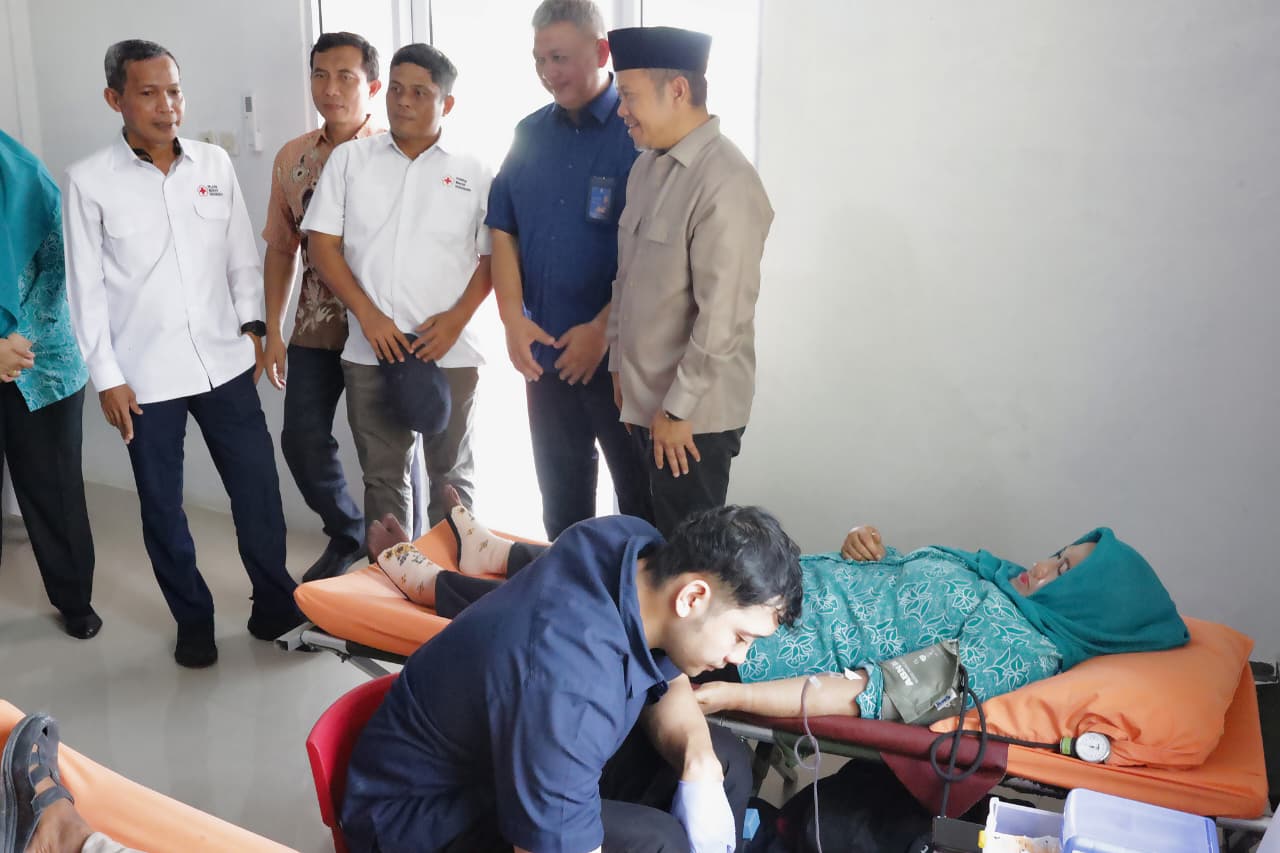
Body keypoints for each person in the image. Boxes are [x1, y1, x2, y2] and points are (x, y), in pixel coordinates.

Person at [342, 506, 804, 853]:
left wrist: (699, 763)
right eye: (741, 637)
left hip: (508, 755)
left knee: (721, 758)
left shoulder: (632, 547)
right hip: (422, 821)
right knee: (659, 841)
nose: (738, 656)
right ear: (692, 597)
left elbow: (662, 671)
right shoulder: (570, 691)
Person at [63, 40, 303, 668]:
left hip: (225, 361)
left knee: (258, 489)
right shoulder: (88, 180)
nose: (166, 106)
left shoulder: (213, 163)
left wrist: (253, 327)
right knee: (162, 507)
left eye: (173, 91)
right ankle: (193, 620)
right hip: (143, 377)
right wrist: (106, 377)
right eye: (148, 93)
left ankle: (275, 605)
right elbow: (85, 289)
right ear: (115, 99)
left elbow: (240, 256)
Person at [691, 524, 1191, 721]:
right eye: (1058, 554)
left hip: (752, 644)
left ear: (1091, 606)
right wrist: (865, 546)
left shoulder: (1016, 651)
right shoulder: (1001, 579)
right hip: (762, 579)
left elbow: (876, 692)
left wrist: (736, 698)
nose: (1040, 566)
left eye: (1062, 573)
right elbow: (897, 594)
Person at [303, 43, 492, 535]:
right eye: (396, 89)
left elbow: (494, 258)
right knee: (383, 481)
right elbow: (322, 245)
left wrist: (456, 321)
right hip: (371, 350)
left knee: (452, 481)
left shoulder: (474, 170)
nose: (403, 101)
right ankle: (393, 578)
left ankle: (452, 577)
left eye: (420, 92)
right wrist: (367, 316)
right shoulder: (351, 160)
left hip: (449, 350)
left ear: (447, 103)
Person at [488, 0, 652, 539]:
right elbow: (502, 228)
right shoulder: (529, 133)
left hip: (623, 363)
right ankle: (569, 592)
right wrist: (512, 319)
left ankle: (631, 598)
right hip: (547, 357)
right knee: (561, 508)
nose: (547, 73)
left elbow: (657, 256)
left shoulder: (638, 133)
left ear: (601, 52)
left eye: (559, 58)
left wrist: (604, 330)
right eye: (539, 60)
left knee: (641, 507)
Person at [605, 26, 774, 536]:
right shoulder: (646, 168)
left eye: (629, 95)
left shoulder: (726, 180)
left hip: (689, 421)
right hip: (642, 406)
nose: (621, 110)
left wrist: (677, 411)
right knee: (638, 549)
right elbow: (626, 280)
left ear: (677, 90)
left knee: (683, 561)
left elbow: (723, 315)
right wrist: (617, 366)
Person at [261, 32, 384, 582]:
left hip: (383, 326)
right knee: (302, 439)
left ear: (372, 87)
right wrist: (273, 330)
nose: (330, 89)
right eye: (320, 75)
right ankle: (348, 530)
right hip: (315, 325)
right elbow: (281, 249)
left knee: (386, 451)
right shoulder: (293, 158)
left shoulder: (394, 153)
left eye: (345, 77)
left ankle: (397, 557)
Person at [0, 131, 99, 640]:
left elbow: (61, 266)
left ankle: (75, 601)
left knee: (53, 488)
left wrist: (17, 338)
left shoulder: (22, 173)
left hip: (41, 361)